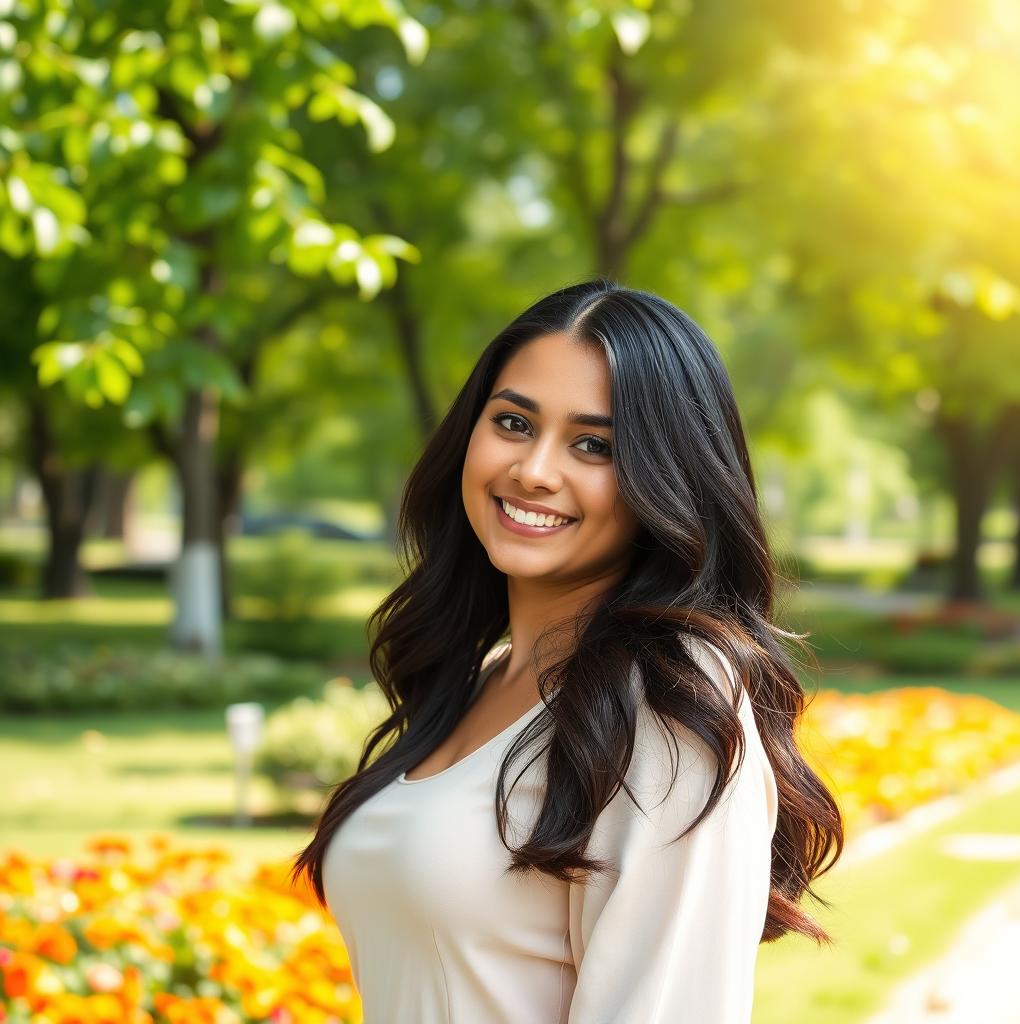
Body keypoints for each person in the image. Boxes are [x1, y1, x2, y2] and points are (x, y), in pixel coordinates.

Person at [290, 278, 844, 1023]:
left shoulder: (673, 702)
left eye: (594, 445)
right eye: (514, 423)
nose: (534, 470)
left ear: (668, 477)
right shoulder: (483, 681)